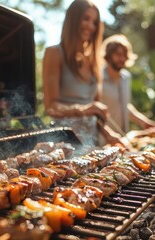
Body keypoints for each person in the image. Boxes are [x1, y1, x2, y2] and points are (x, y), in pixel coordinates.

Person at [42, 0, 122, 147]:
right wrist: (83, 109)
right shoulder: (55, 53)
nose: (91, 26)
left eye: (95, 22)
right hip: (64, 143)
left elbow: (95, 114)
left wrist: (108, 134)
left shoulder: (94, 61)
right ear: (73, 20)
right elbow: (51, 107)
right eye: (86, 19)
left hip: (91, 143)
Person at [100, 34, 155, 135]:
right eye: (118, 54)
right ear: (108, 55)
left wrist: (144, 122)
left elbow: (125, 106)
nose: (122, 58)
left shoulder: (126, 77)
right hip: (101, 139)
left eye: (124, 55)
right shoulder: (98, 78)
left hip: (122, 139)